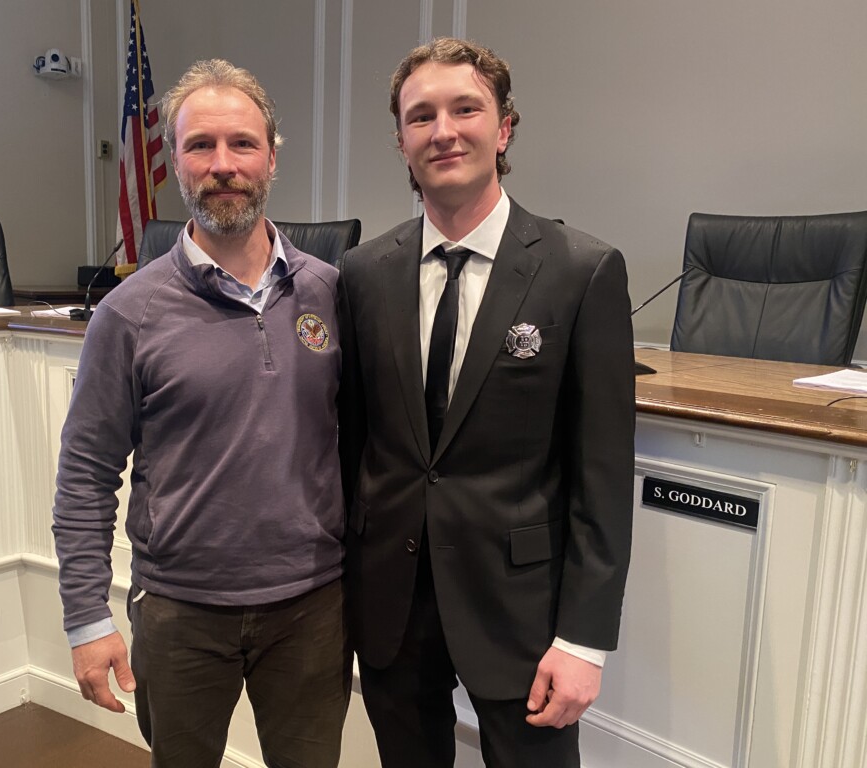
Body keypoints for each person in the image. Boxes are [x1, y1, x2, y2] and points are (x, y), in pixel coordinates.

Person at [337, 38, 635, 767]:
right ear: (401, 142)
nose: (444, 131)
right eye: (421, 116)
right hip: (392, 604)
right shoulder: (361, 274)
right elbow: (352, 448)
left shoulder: (581, 272)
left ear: (503, 128)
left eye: (465, 108)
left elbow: (601, 476)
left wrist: (583, 640)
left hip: (523, 612)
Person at [53, 59, 349, 768]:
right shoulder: (127, 314)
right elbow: (86, 475)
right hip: (181, 610)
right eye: (200, 146)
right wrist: (86, 618)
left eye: (242, 144)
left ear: (272, 157)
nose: (223, 165)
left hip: (313, 608)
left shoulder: (335, 293)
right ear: (175, 164)